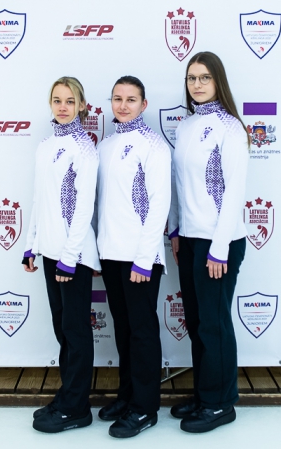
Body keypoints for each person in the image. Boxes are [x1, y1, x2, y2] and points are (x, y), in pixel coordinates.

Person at [167, 52, 249, 433]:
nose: (197, 84)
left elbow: (234, 192)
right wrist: (176, 231)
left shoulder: (231, 128)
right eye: (191, 78)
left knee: (214, 323)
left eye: (204, 78)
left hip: (220, 242)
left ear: (218, 81)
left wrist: (219, 248)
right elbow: (180, 185)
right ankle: (204, 394)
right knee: (198, 321)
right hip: (190, 239)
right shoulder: (186, 127)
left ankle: (220, 404)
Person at [22, 76, 100, 433]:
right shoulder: (46, 145)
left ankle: (77, 408)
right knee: (62, 328)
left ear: (81, 105)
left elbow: (83, 208)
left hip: (74, 255)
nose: (63, 107)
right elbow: (40, 198)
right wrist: (31, 243)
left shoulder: (84, 148)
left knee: (76, 330)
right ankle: (69, 395)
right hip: (50, 251)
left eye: (70, 101)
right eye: (57, 100)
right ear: (50, 104)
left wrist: (70, 256)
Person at [96, 76, 171, 438]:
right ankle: (127, 396)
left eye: (131, 99)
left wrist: (144, 258)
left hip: (140, 257)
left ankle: (145, 408)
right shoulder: (106, 144)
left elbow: (159, 204)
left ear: (144, 104)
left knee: (141, 331)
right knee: (123, 329)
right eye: (117, 98)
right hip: (111, 254)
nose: (123, 105)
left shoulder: (153, 145)